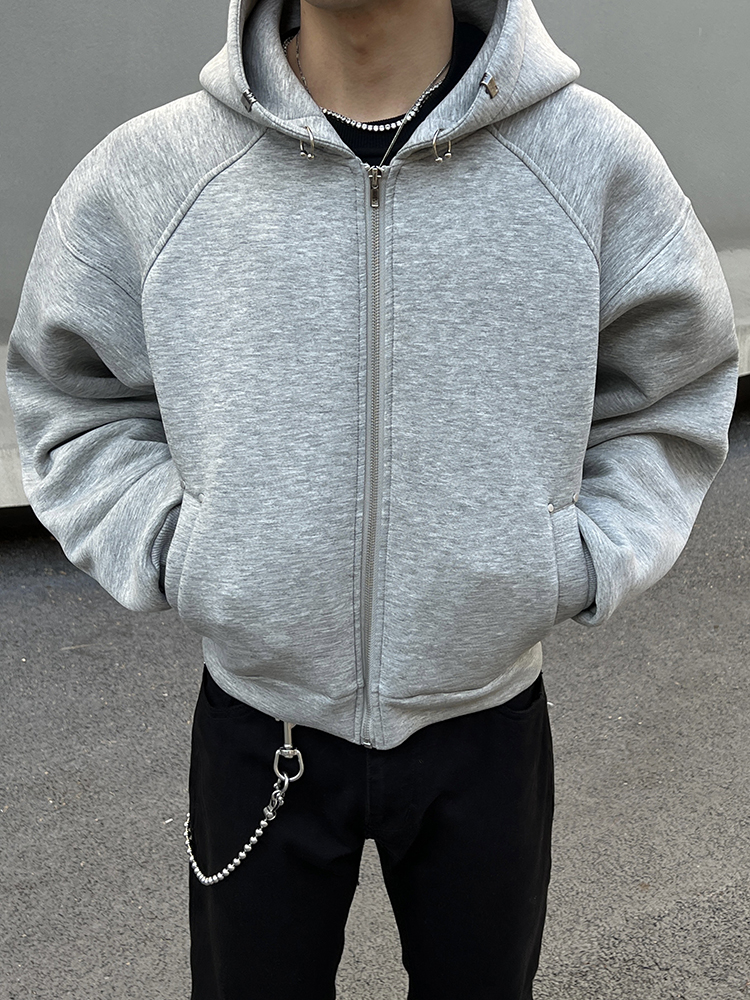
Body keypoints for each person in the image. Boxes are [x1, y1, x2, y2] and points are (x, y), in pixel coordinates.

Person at [5, 0, 738, 995]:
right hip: (260, 725)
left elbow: (675, 384)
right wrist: (178, 547)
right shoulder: (159, 171)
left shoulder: (589, 161)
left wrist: (579, 556)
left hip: (486, 723)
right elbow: (69, 394)